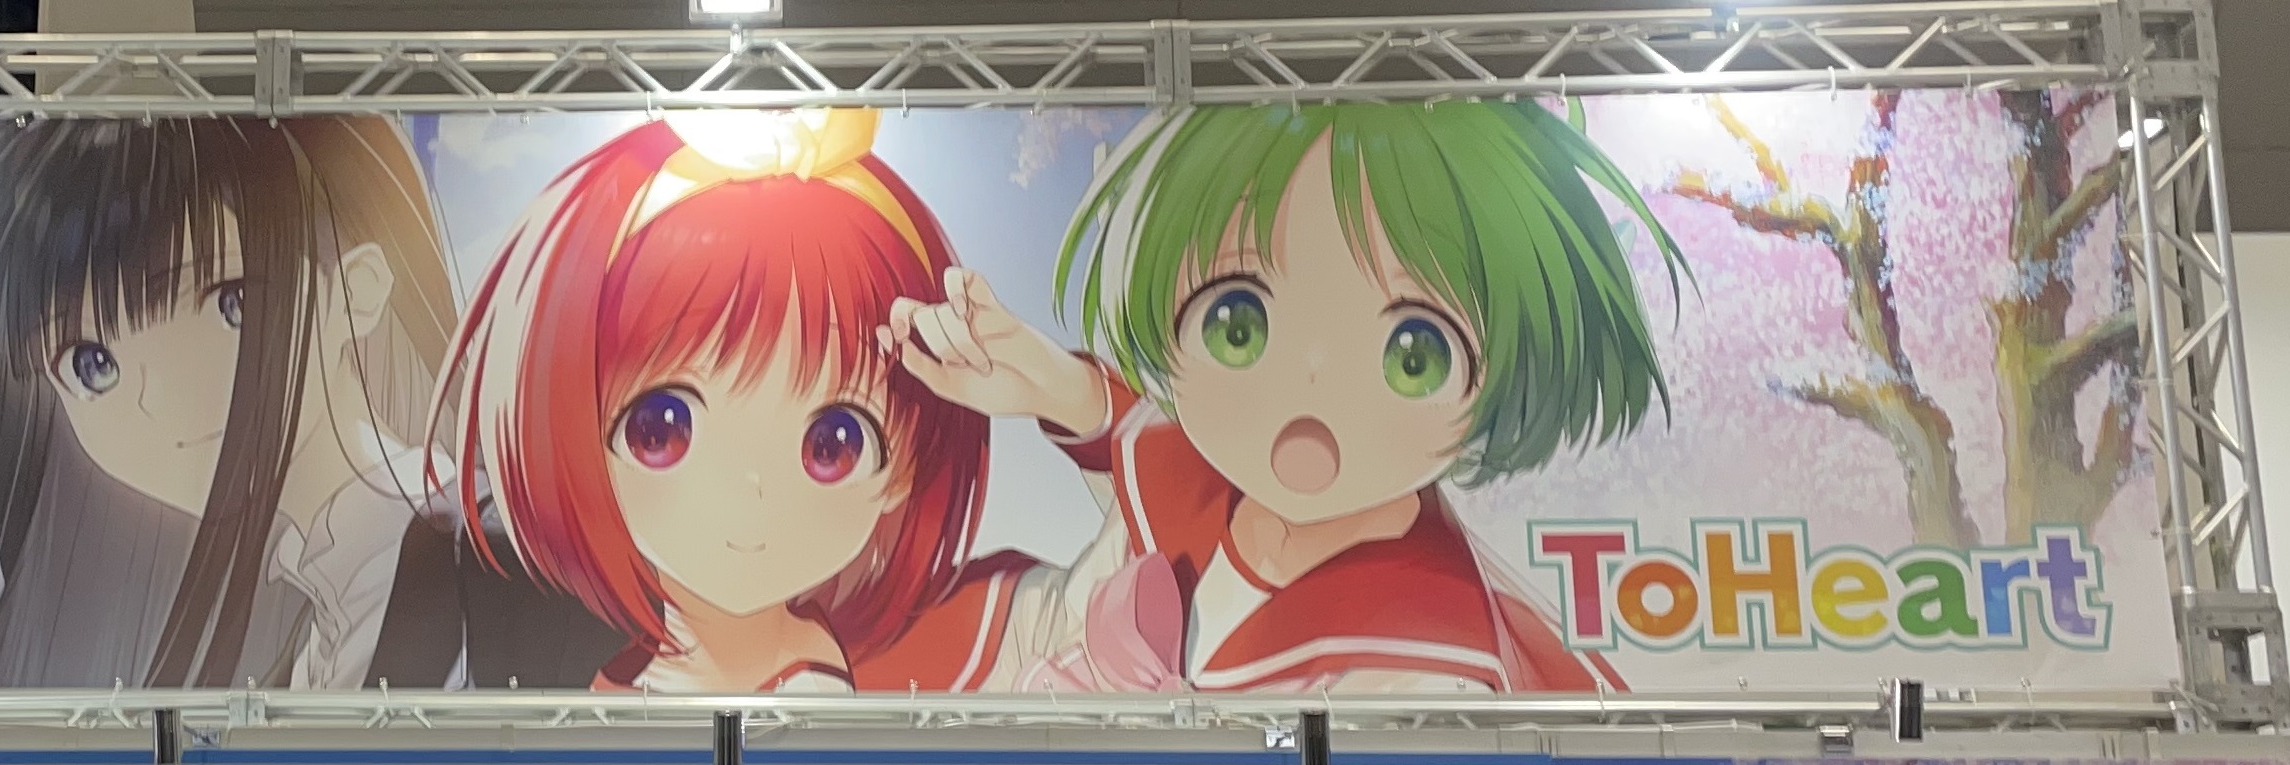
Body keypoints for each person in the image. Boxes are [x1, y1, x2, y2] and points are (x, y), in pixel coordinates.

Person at [888, 102, 1685, 692]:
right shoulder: (1212, 495)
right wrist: (1046, 381)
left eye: (1413, 355)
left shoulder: (1427, 658)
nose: (1310, 386)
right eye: (1236, 323)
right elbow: (1147, 448)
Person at [0, 117, 620, 689]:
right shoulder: (332, 589)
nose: (161, 400)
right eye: (92, 363)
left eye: (232, 303)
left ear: (358, 291)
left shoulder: (500, 558)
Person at [431, 109, 1034, 692]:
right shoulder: (601, 685)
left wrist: (1067, 399)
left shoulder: (931, 646)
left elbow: (1094, 624)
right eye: (661, 430)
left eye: (833, 445)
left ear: (904, 464)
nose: (751, 496)